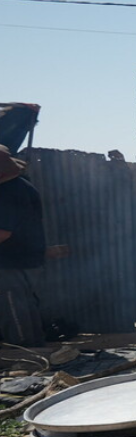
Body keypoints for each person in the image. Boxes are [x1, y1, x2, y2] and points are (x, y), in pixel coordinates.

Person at [0, 144, 47, 347]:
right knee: (26, 304)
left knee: (12, 305)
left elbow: (4, 232)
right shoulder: (24, 186)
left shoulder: (7, 193)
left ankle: (22, 351)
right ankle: (35, 345)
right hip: (29, 258)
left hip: (12, 260)